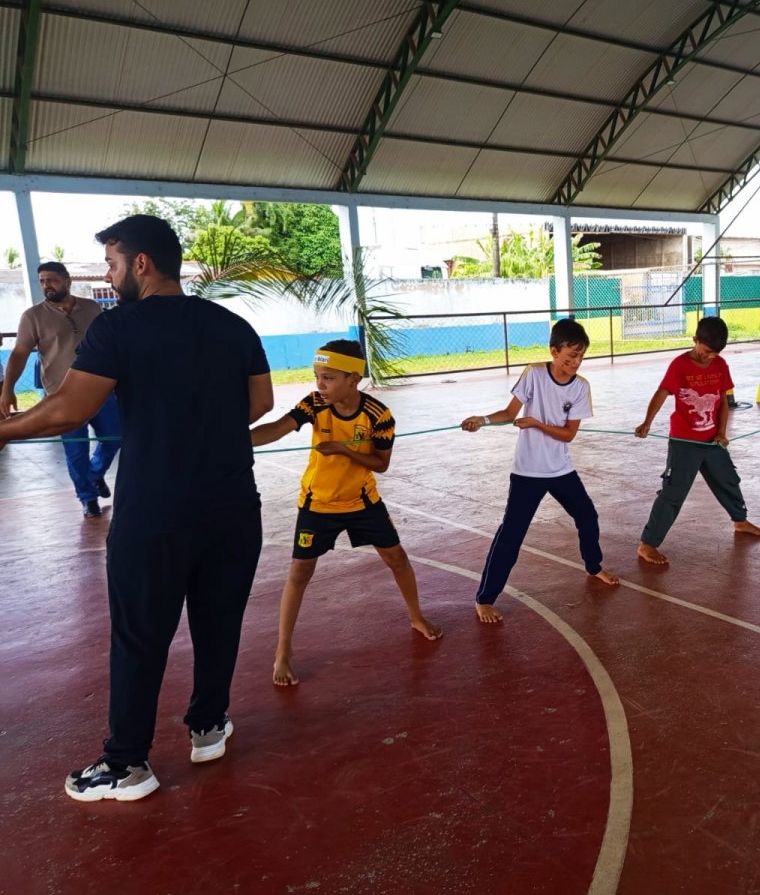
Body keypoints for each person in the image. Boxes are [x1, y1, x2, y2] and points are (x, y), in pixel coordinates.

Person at [0, 215, 273, 802]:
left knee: (140, 635)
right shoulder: (233, 325)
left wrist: (7, 430)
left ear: (141, 263)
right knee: (218, 621)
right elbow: (260, 402)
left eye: (114, 263)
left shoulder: (118, 328)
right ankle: (207, 727)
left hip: (156, 513)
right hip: (233, 507)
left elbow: (70, 409)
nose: (109, 274)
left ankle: (127, 765)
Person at [252, 339, 441, 680]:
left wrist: (343, 449)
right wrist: (231, 438)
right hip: (317, 504)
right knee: (299, 573)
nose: (319, 385)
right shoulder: (314, 405)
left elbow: (380, 464)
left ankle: (415, 615)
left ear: (353, 379)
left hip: (362, 502)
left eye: (328, 377)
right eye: (317, 376)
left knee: (397, 558)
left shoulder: (378, 416)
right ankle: (283, 652)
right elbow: (279, 428)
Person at [461, 318, 619, 622]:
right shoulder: (534, 374)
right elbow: (509, 413)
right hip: (528, 471)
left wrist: (536, 423)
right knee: (511, 534)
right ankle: (485, 598)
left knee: (587, 516)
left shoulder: (580, 388)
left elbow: (569, 434)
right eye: (570, 356)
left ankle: (594, 566)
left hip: (560, 469)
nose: (575, 362)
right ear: (554, 351)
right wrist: (481, 420)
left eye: (581, 356)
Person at [634, 315, 760, 565]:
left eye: (714, 354)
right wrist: (647, 422)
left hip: (712, 440)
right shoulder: (679, 365)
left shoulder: (720, 365)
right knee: (673, 492)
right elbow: (662, 392)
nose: (709, 357)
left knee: (728, 479)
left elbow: (723, 403)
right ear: (695, 340)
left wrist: (722, 432)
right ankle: (648, 544)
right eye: (706, 352)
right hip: (684, 442)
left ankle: (740, 521)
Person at [0, 261, 121, 517]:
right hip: (60, 395)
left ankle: (94, 473)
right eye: (42, 281)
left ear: (68, 281)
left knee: (115, 437)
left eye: (52, 280)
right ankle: (87, 497)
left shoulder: (92, 307)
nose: (46, 285)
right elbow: (20, 353)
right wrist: (7, 388)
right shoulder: (33, 316)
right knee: (76, 450)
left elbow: (110, 345)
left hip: (100, 390)